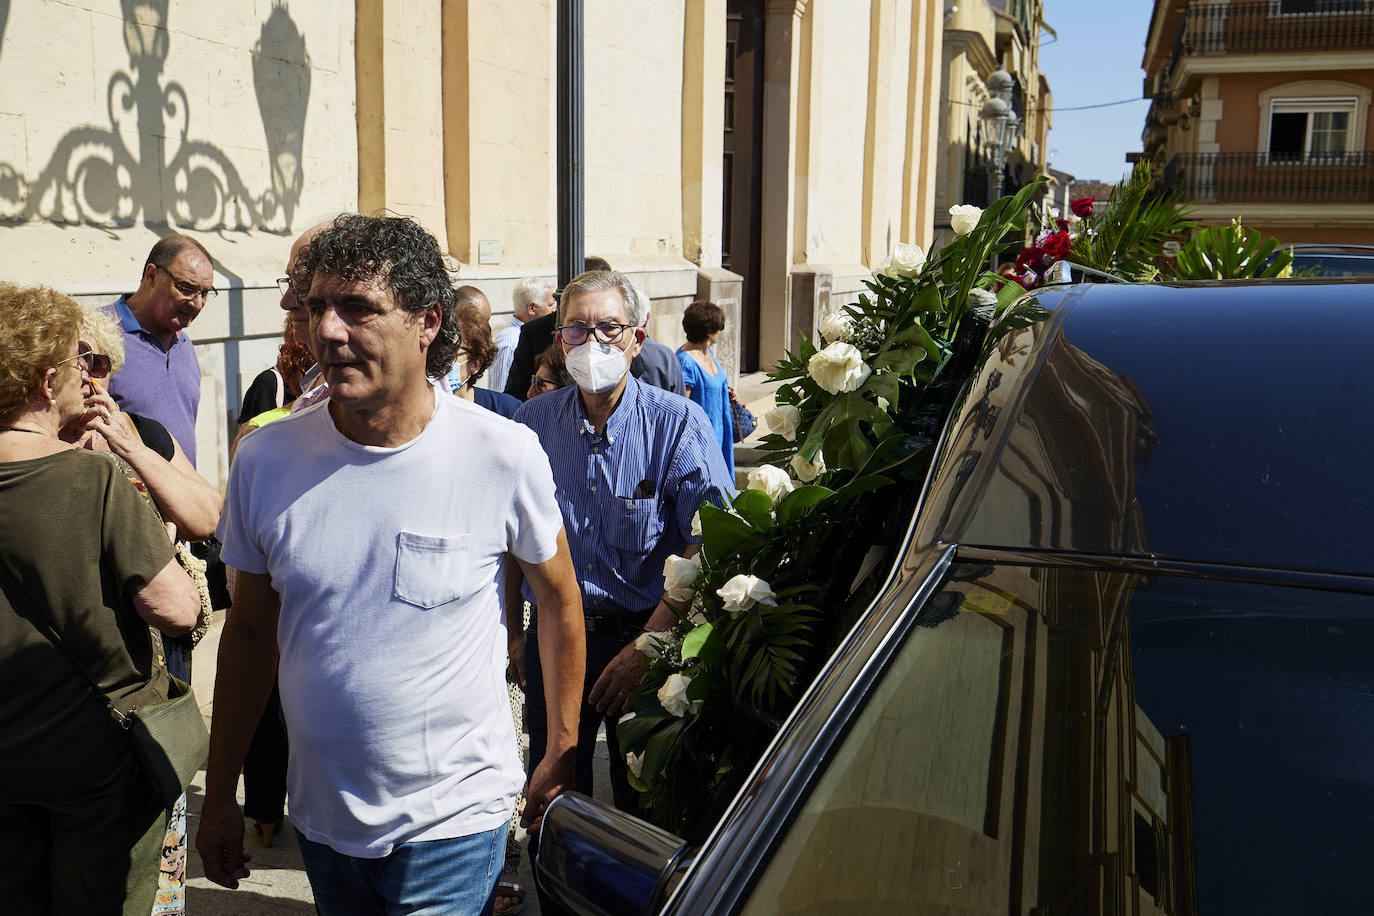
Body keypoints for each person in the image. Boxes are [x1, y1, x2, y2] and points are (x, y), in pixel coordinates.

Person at [198, 214, 586, 916]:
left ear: (427, 321)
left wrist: (561, 745)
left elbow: (558, 598)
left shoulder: (502, 453)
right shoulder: (265, 461)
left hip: (455, 818)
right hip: (323, 820)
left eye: (359, 309)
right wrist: (221, 790)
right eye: (317, 307)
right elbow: (251, 634)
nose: (328, 332)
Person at [0, 283, 200, 915]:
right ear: (46, 379)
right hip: (93, 756)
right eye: (75, 365)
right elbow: (175, 609)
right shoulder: (90, 476)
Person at [513, 270, 734, 825]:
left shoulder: (677, 423)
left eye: (609, 328)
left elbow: (711, 542)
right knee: (554, 795)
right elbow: (505, 539)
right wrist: (511, 634)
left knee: (643, 803)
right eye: (577, 329)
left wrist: (649, 647)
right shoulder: (530, 423)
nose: (593, 343)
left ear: (638, 337)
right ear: (559, 342)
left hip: (643, 634)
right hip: (553, 639)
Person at [67, 306, 222, 916]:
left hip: (158, 650)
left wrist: (128, 444)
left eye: (97, 362)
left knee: (159, 795)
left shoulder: (145, 434)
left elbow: (208, 517)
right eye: (72, 361)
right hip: (78, 658)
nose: (87, 376)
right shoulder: (31, 446)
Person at [101, 235, 215, 467]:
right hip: (125, 498)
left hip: (180, 498)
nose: (197, 303)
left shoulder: (185, 345)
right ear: (151, 275)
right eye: (186, 288)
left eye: (205, 293)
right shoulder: (98, 334)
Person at [675, 300, 736, 479]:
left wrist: (726, 392)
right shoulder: (685, 362)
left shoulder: (708, 354)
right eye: (720, 326)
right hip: (701, 445)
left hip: (720, 436)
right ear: (709, 331)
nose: (721, 331)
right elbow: (682, 407)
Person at [451, 301, 522, 419]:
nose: (440, 360)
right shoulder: (421, 412)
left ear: (475, 364)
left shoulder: (506, 409)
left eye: (451, 352)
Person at [489, 277, 555, 394]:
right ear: (532, 308)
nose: (554, 310)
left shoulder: (527, 336)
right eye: (550, 305)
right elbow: (502, 393)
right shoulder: (511, 342)